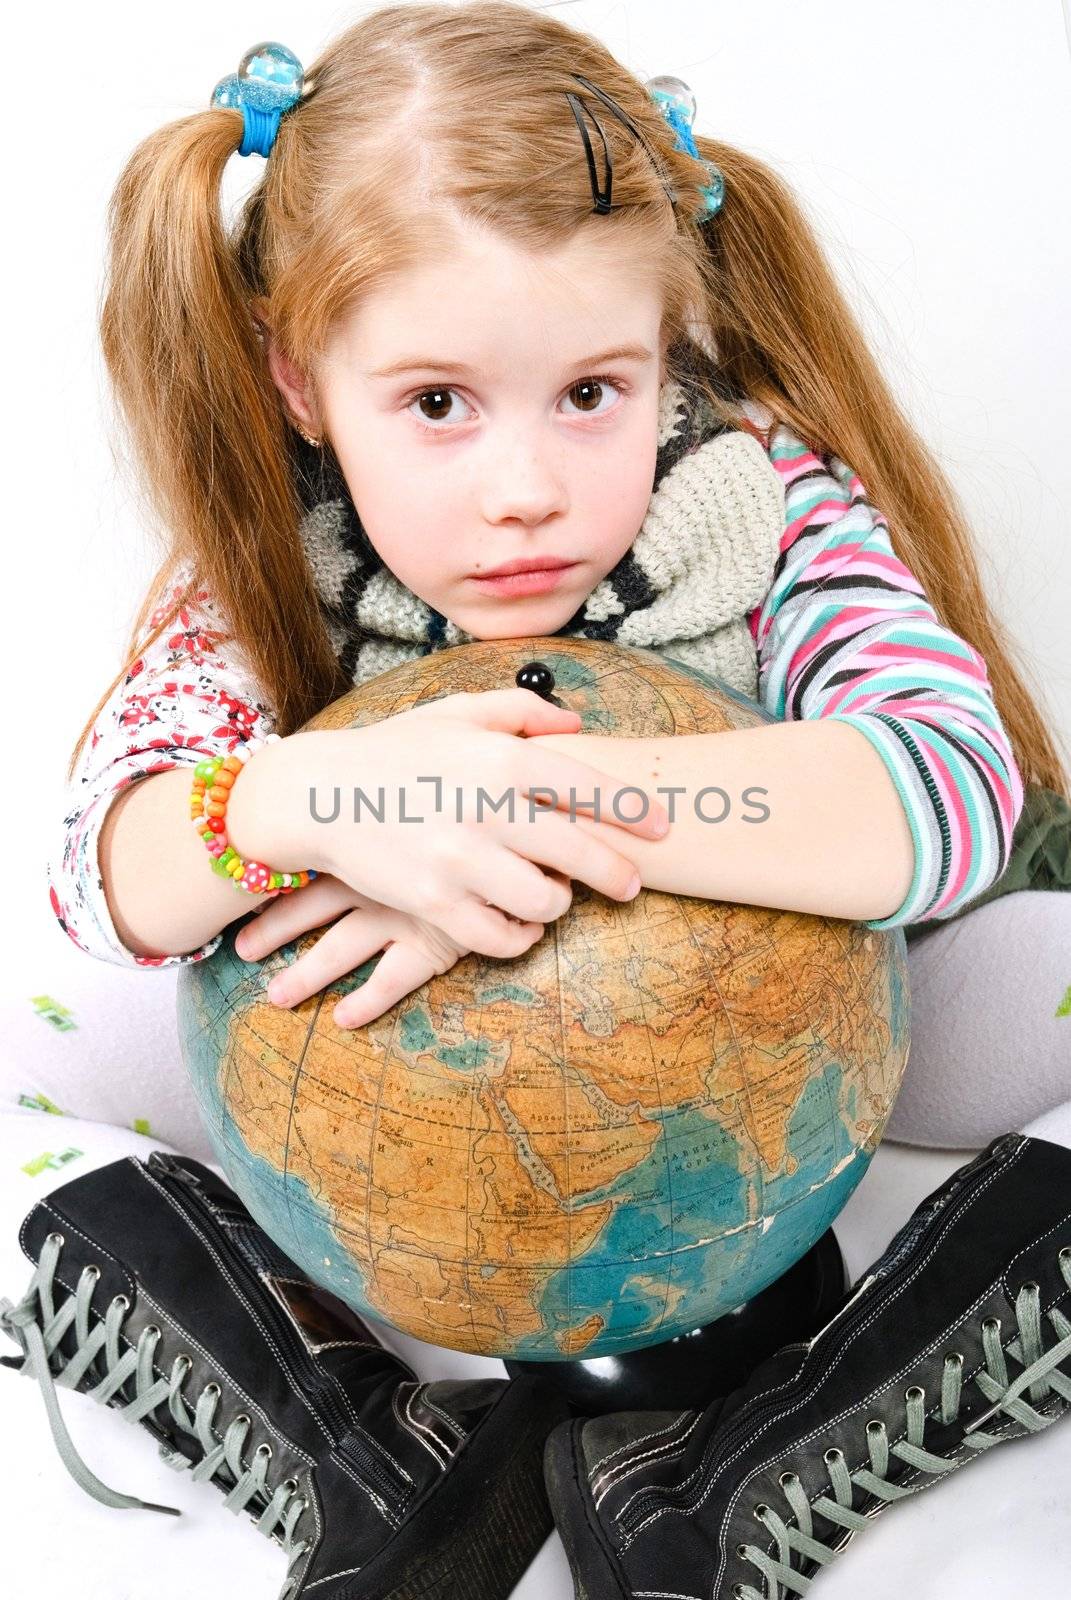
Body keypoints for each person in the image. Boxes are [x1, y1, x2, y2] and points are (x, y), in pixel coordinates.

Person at [41, 2, 1070, 1588]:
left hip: (812, 1069)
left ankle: (780, 1439)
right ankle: (363, 1452)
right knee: (53, 1037)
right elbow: (95, 866)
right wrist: (306, 804)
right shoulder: (279, 555)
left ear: (669, 357)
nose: (522, 489)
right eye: (437, 404)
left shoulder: (764, 500)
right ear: (303, 382)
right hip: (403, 1107)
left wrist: (557, 804)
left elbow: (949, 785)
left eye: (591, 393)